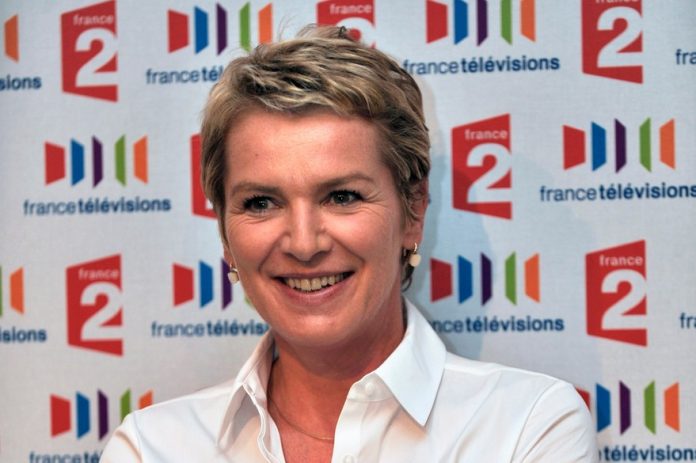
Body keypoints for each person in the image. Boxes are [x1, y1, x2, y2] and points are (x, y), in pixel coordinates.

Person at [101, 25, 597, 462]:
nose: (303, 243)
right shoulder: (151, 448)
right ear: (225, 233)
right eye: (261, 202)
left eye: (342, 196)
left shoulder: (527, 428)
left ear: (413, 211)